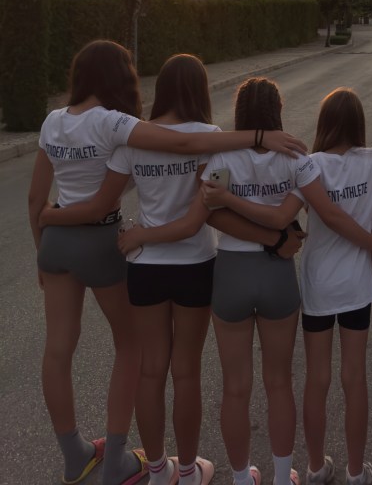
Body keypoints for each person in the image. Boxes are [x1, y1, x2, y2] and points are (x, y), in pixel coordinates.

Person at [27, 41, 305, 485]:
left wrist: (54, 222)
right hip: (195, 263)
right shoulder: (206, 138)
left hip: (143, 267)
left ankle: (156, 470)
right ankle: (188, 470)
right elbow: (203, 207)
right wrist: (259, 144)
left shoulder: (126, 137)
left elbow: (96, 198)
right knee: (185, 372)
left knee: (144, 367)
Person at [128, 78, 372, 485]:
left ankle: (242, 478)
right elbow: (302, 216)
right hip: (277, 275)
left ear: (240, 112)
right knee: (279, 384)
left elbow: (210, 213)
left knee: (235, 387)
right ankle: (282, 477)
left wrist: (229, 201)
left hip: (232, 272)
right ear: (277, 111)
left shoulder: (221, 157)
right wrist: (278, 237)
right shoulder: (295, 156)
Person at [232, 87, 372, 485]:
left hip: (319, 285)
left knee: (317, 379)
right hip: (357, 286)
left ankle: (315, 466)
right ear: (359, 123)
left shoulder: (310, 165)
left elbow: (283, 215)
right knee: (354, 379)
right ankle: (356, 471)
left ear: (323, 123)